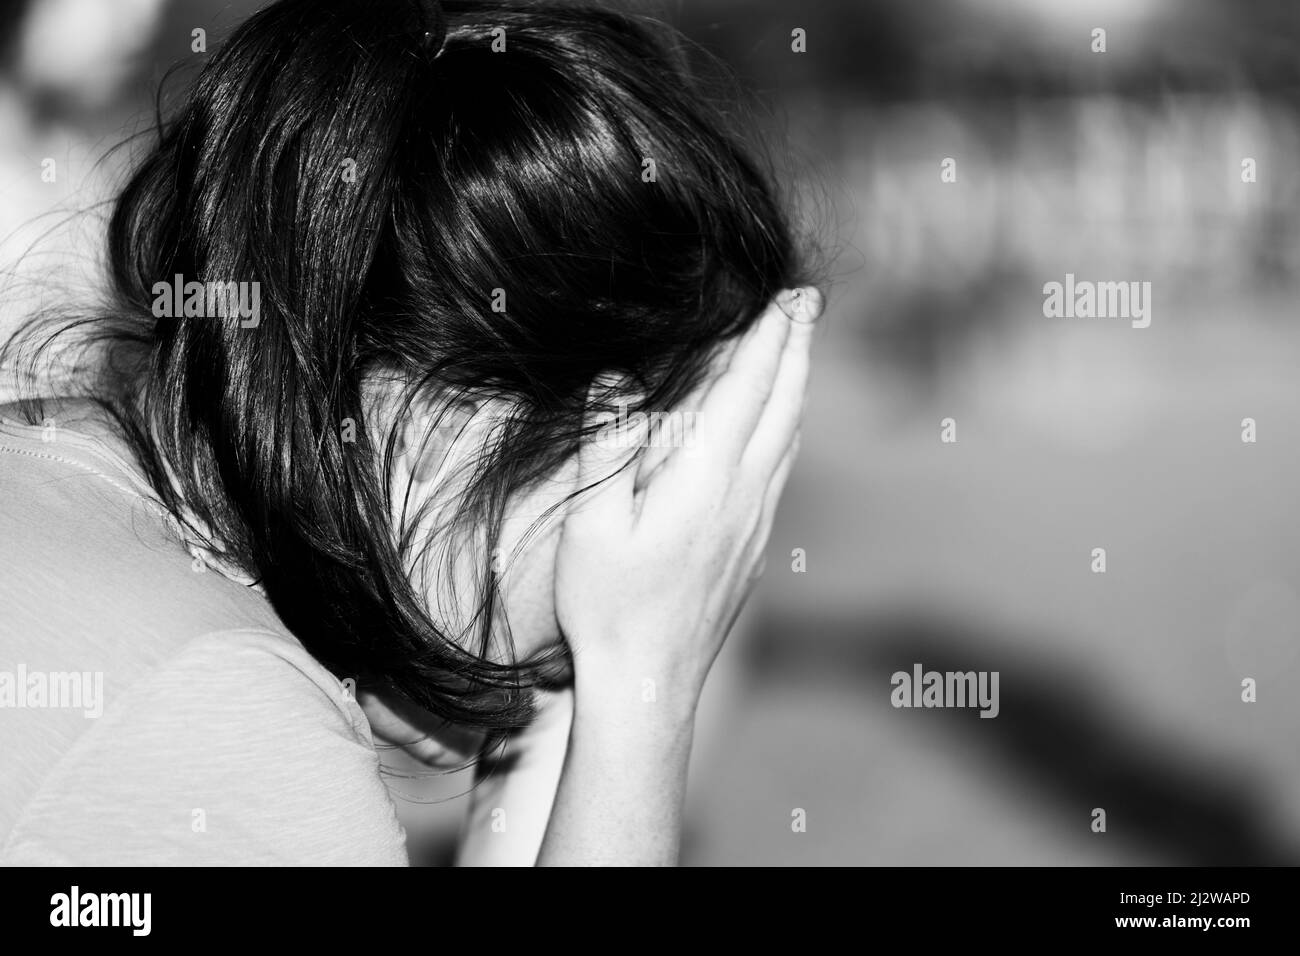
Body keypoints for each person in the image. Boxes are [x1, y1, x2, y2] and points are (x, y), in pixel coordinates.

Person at [0, 0, 822, 865]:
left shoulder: (51, 480)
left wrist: (548, 713)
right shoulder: (218, 708)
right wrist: (640, 689)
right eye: (636, 508)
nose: (628, 582)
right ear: (442, 435)